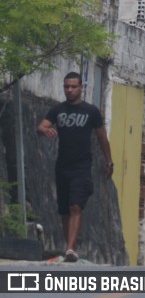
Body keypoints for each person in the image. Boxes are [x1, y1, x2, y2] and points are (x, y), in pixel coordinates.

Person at [36, 72, 114, 262]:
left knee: (75, 206)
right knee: (64, 209)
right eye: (66, 87)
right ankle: (68, 246)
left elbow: (102, 137)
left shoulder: (91, 111)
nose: (69, 90)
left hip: (82, 167)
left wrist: (109, 161)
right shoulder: (58, 110)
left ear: (81, 88)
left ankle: (70, 248)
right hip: (62, 166)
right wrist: (46, 130)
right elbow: (41, 126)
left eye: (73, 87)